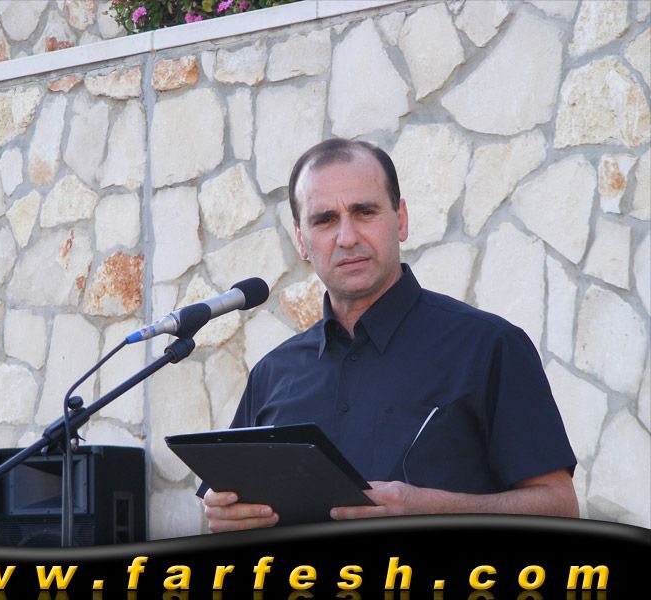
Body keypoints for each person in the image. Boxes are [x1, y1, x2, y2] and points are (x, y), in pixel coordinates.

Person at [201, 138, 578, 532]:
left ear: (401, 220)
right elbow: (229, 505)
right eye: (325, 220)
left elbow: (560, 506)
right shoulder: (272, 374)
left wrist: (431, 508)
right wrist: (226, 514)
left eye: (364, 212)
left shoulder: (489, 347)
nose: (347, 237)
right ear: (301, 239)